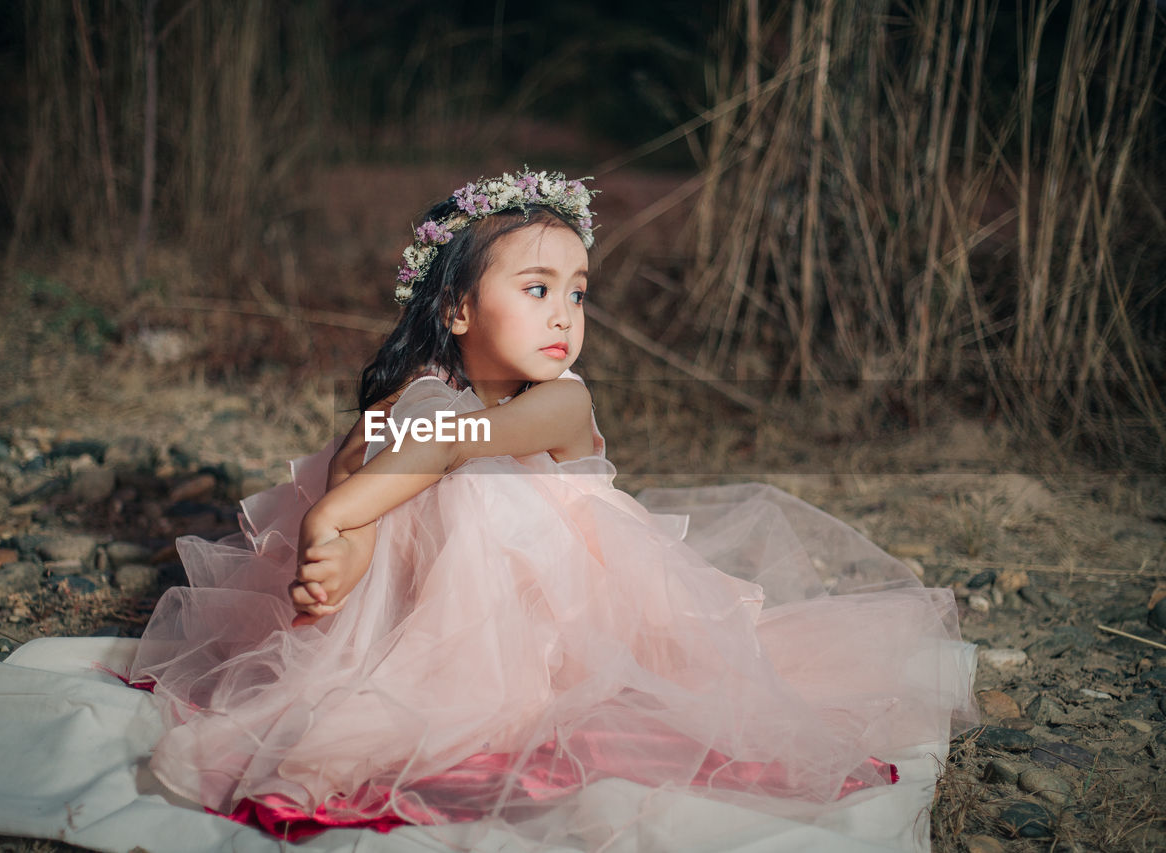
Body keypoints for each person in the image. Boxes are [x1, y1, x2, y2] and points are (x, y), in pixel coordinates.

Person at [128, 168, 977, 849]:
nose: (565, 316)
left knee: (453, 460)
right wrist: (356, 517)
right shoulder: (427, 395)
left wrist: (336, 520)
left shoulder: (562, 402)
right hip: (445, 601)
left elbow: (455, 447)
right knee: (420, 428)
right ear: (457, 308)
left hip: (586, 620)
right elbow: (360, 449)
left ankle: (386, 582)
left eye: (577, 293)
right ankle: (369, 581)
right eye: (537, 288)